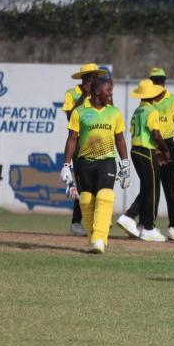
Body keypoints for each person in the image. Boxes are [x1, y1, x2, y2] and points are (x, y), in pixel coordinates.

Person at [61, 74, 130, 254]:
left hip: (107, 161)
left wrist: (125, 165)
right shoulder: (79, 112)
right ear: (97, 91)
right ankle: (94, 239)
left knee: (105, 196)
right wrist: (66, 165)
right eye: (108, 90)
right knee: (86, 200)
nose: (110, 93)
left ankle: (100, 238)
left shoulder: (114, 112)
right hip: (84, 162)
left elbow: (120, 139)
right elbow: (72, 140)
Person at [116, 79, 171, 242]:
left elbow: (138, 133)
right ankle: (147, 227)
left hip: (136, 151)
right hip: (146, 151)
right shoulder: (152, 111)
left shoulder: (138, 111)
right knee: (153, 189)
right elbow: (155, 134)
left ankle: (137, 221)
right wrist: (165, 150)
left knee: (148, 188)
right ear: (152, 95)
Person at [62, 63, 107, 237]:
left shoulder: (99, 93)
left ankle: (98, 219)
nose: (93, 80)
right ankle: (76, 223)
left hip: (98, 146)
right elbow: (70, 116)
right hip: (79, 148)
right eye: (89, 77)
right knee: (83, 186)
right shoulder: (72, 93)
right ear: (82, 79)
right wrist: (85, 96)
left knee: (99, 184)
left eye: (95, 77)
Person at [149, 68, 174, 240]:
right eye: (154, 82)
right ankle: (148, 224)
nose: (157, 85)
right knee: (151, 186)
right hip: (152, 143)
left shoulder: (172, 100)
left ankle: (172, 226)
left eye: (160, 82)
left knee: (170, 187)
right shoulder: (147, 100)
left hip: (168, 143)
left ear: (164, 83)